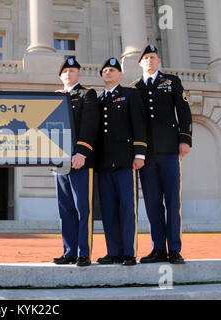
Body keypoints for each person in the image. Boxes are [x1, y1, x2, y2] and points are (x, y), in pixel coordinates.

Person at [135, 45, 193, 264]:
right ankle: (158, 248)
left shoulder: (171, 81)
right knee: (152, 202)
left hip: (169, 150)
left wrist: (185, 139)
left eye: (153, 57)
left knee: (172, 201)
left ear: (158, 61)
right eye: (145, 58)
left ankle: (174, 249)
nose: (149, 61)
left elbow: (184, 110)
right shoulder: (135, 87)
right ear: (140, 63)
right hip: (147, 154)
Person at [96, 58, 147, 266]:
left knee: (127, 207)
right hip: (105, 163)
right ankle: (113, 251)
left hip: (126, 161)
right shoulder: (99, 100)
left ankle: (129, 252)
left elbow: (139, 124)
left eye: (112, 70)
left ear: (120, 74)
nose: (108, 72)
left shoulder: (130, 94)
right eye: (105, 70)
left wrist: (140, 154)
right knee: (108, 209)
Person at [52, 57, 101, 267]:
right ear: (60, 76)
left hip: (79, 160)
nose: (69, 74)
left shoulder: (87, 94)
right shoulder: (56, 98)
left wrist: (82, 152)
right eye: (65, 72)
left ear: (79, 74)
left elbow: (90, 126)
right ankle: (69, 251)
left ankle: (83, 252)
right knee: (65, 209)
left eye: (73, 71)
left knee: (83, 209)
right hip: (60, 161)